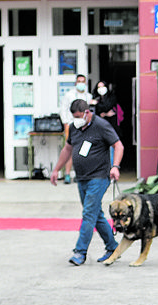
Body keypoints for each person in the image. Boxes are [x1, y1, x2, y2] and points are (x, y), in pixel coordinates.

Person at [50, 98, 121, 266]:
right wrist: (56, 169)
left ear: (87, 113)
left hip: (99, 177)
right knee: (95, 214)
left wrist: (115, 166)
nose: (76, 119)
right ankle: (112, 247)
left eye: (79, 116)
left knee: (88, 213)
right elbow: (68, 148)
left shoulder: (101, 125)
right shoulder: (74, 127)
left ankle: (80, 252)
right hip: (82, 177)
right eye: (74, 116)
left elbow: (119, 146)